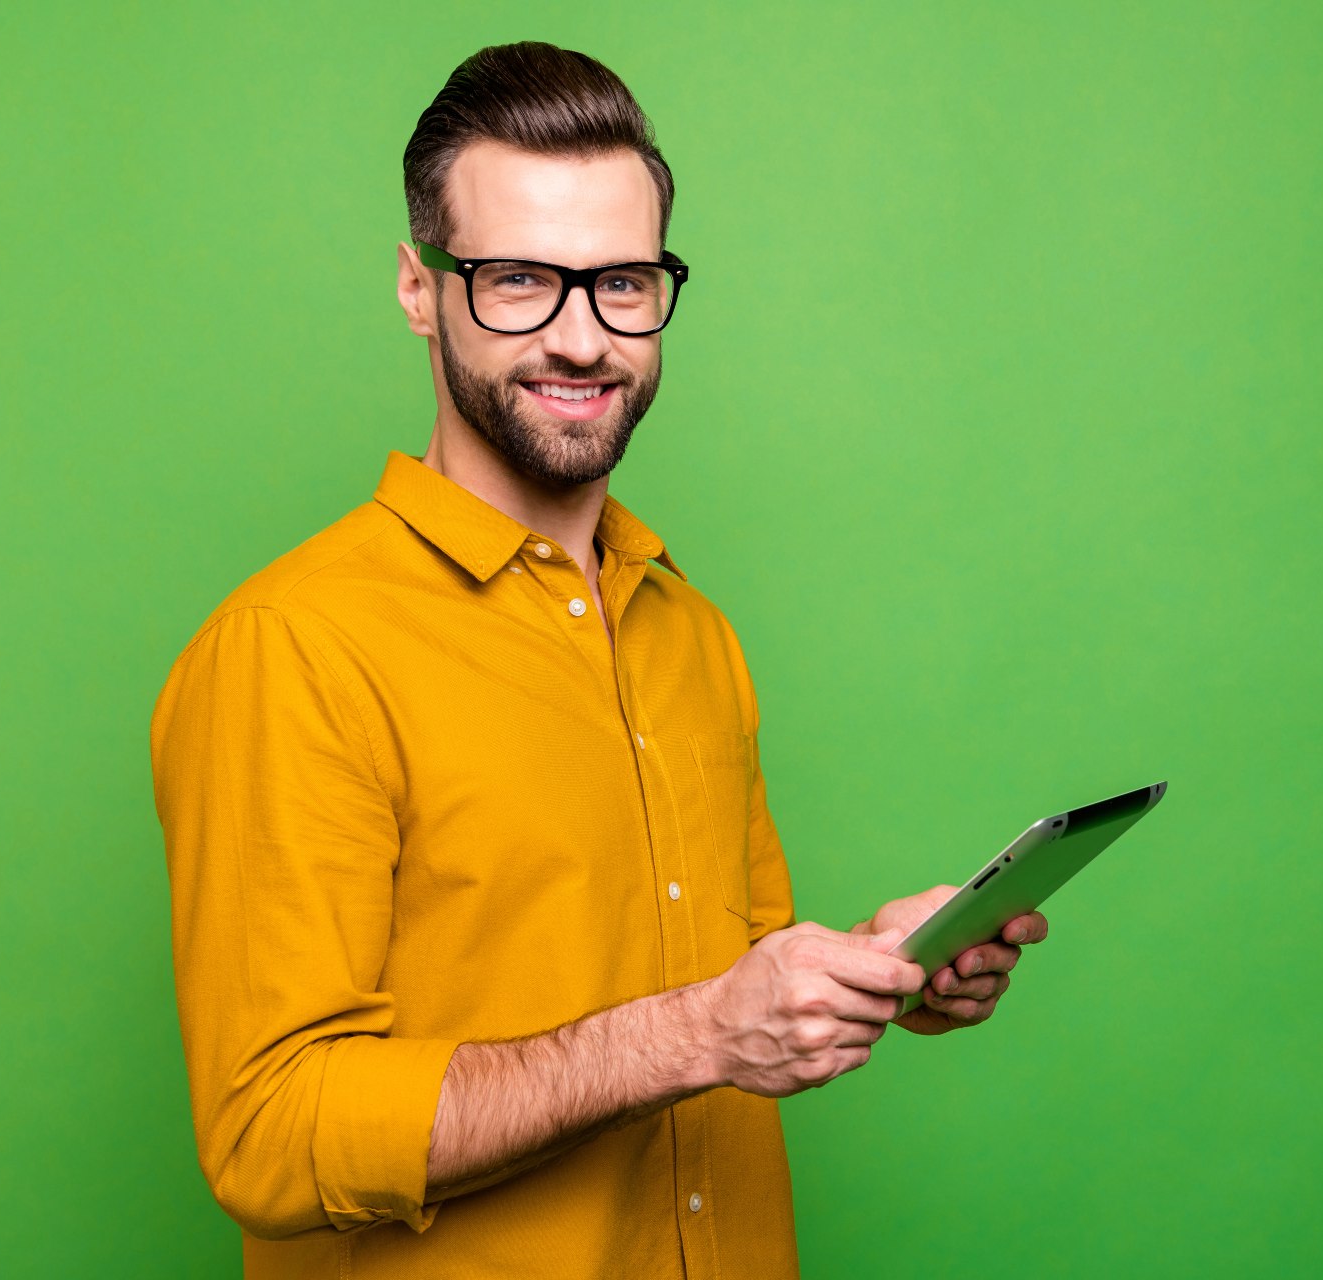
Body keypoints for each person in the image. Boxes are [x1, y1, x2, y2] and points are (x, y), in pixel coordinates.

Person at [151, 41, 1048, 1280]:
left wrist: (882, 968)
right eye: (518, 279)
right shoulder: (293, 647)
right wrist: (692, 1033)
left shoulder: (692, 630)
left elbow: (730, 992)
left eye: (621, 282)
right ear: (420, 288)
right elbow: (268, 1134)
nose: (581, 338)